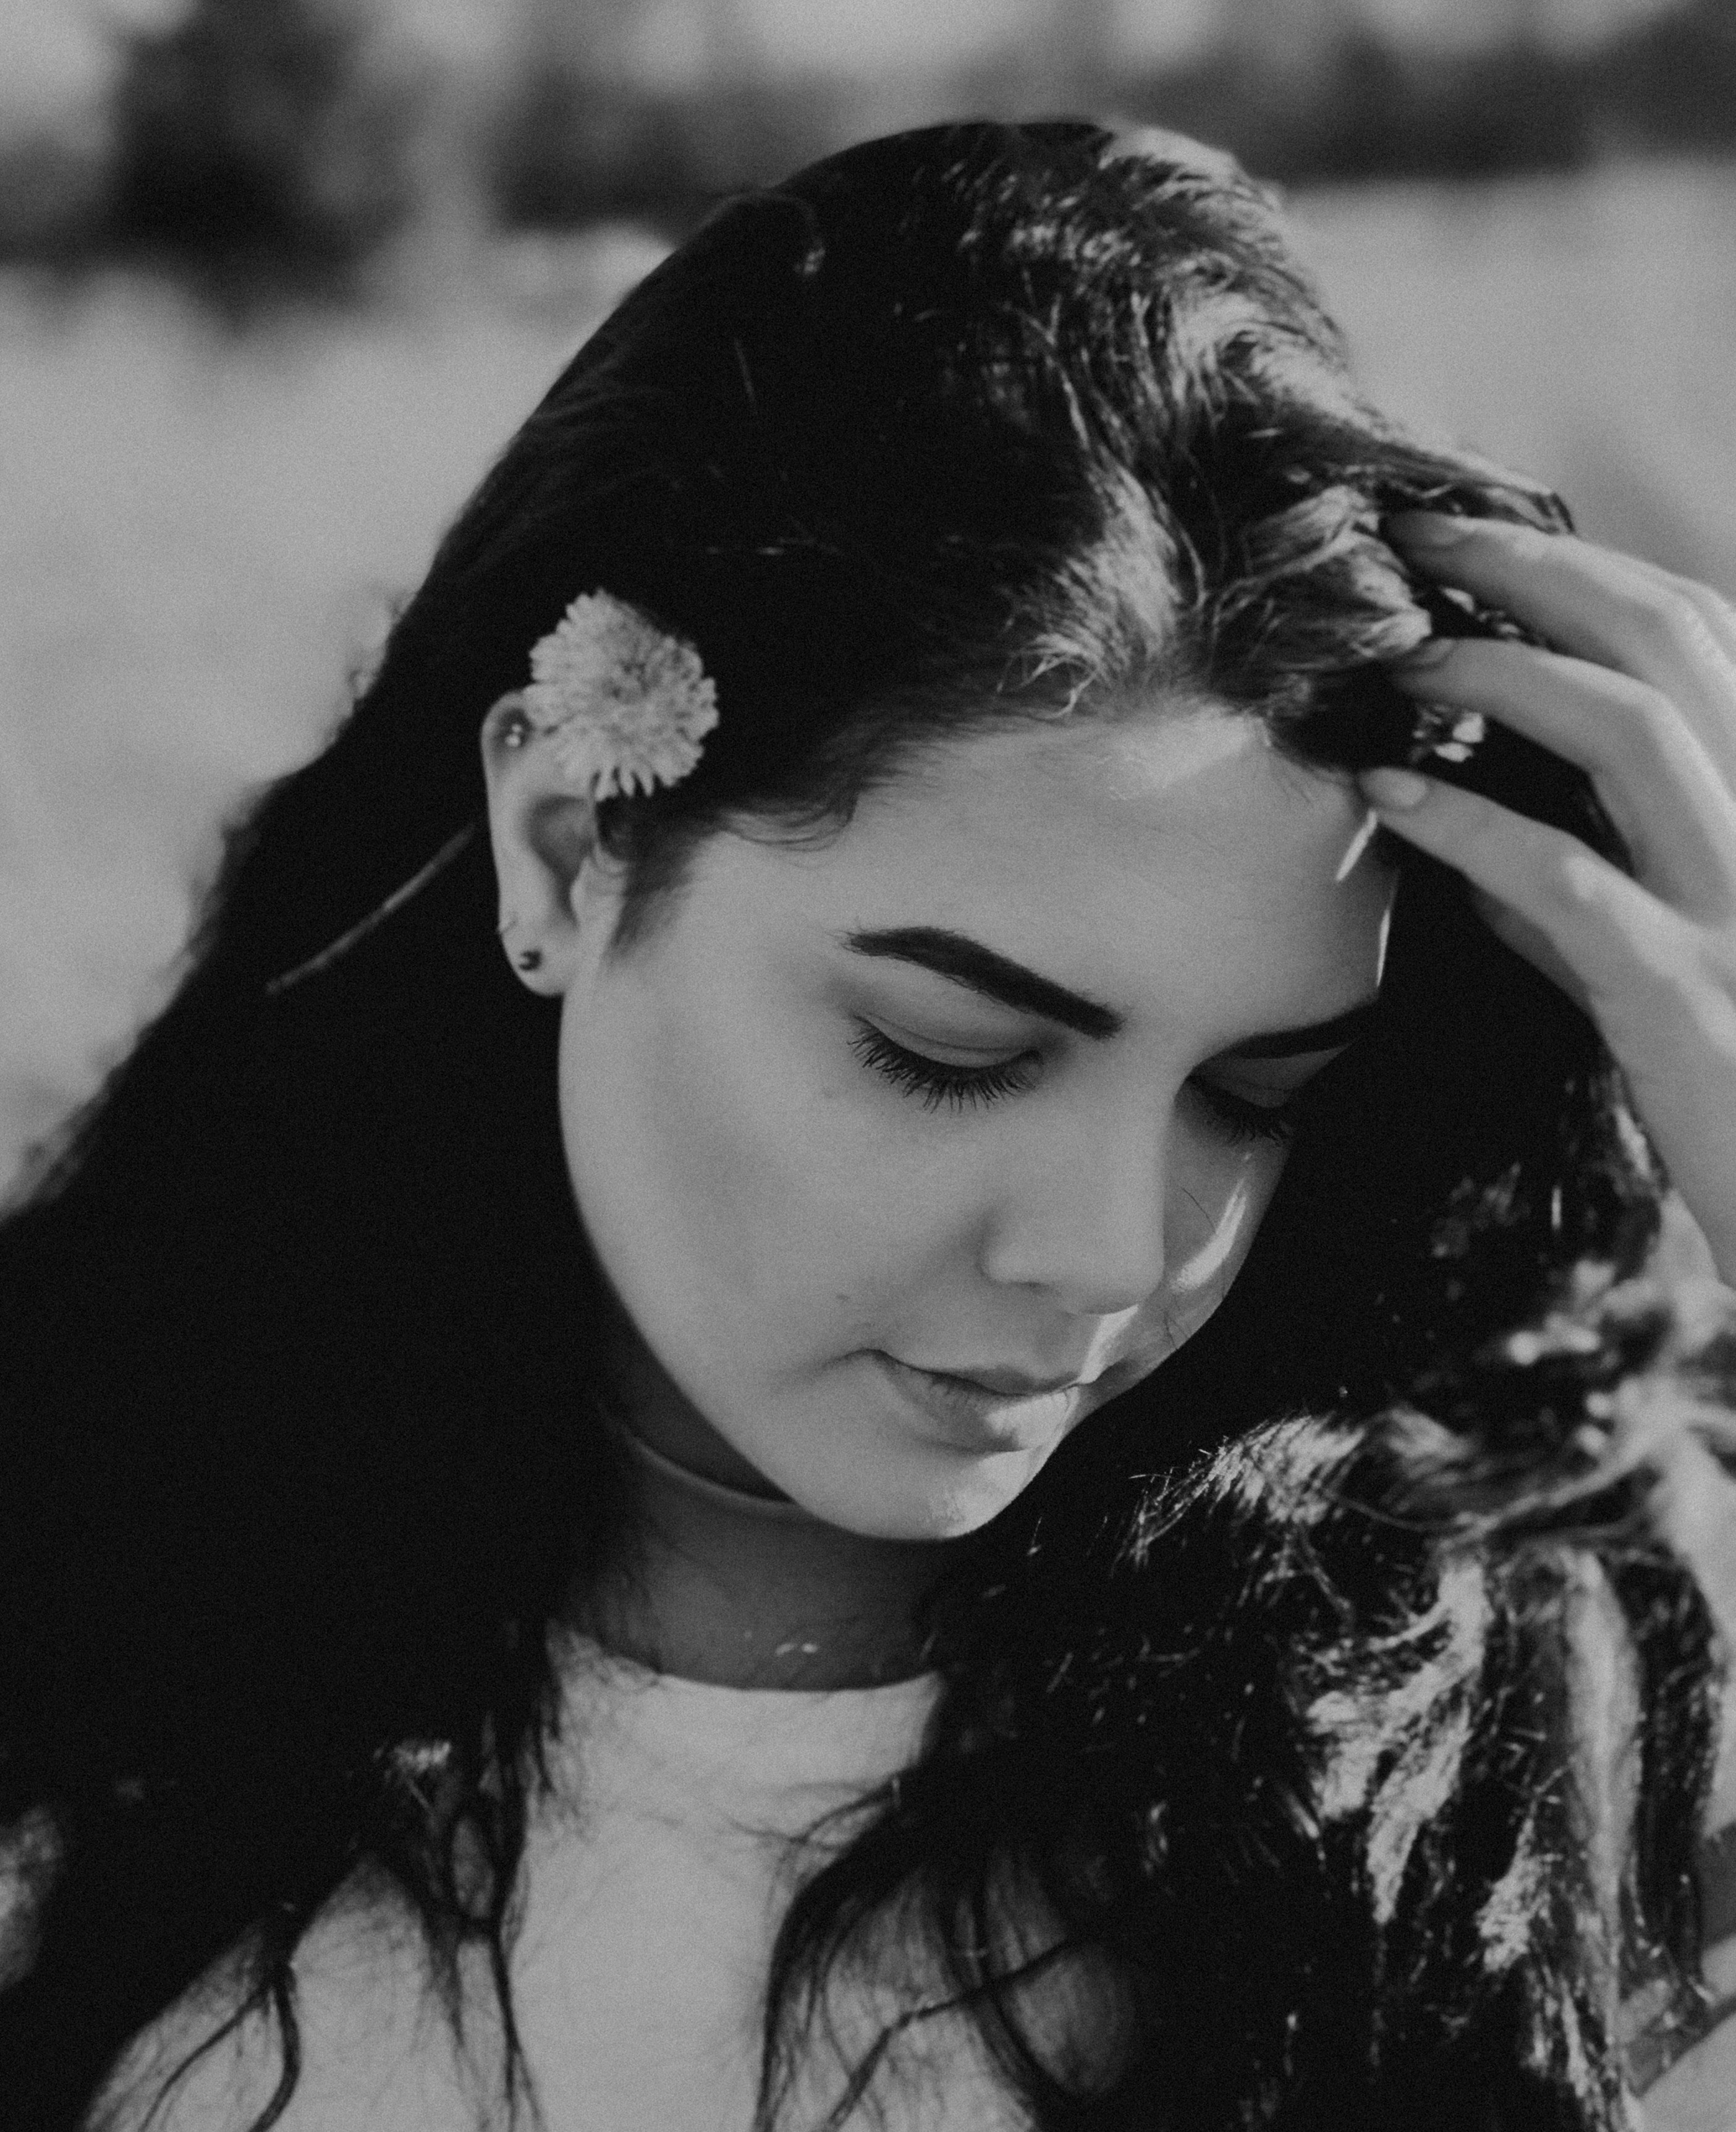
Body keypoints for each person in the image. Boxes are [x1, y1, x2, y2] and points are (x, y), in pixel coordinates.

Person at [1, 119, 1734, 2130]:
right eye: (945, 1047)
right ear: (570, 847)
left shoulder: (1535, 1702)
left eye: (1257, 1097)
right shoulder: (73, 1625)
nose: (1107, 1251)